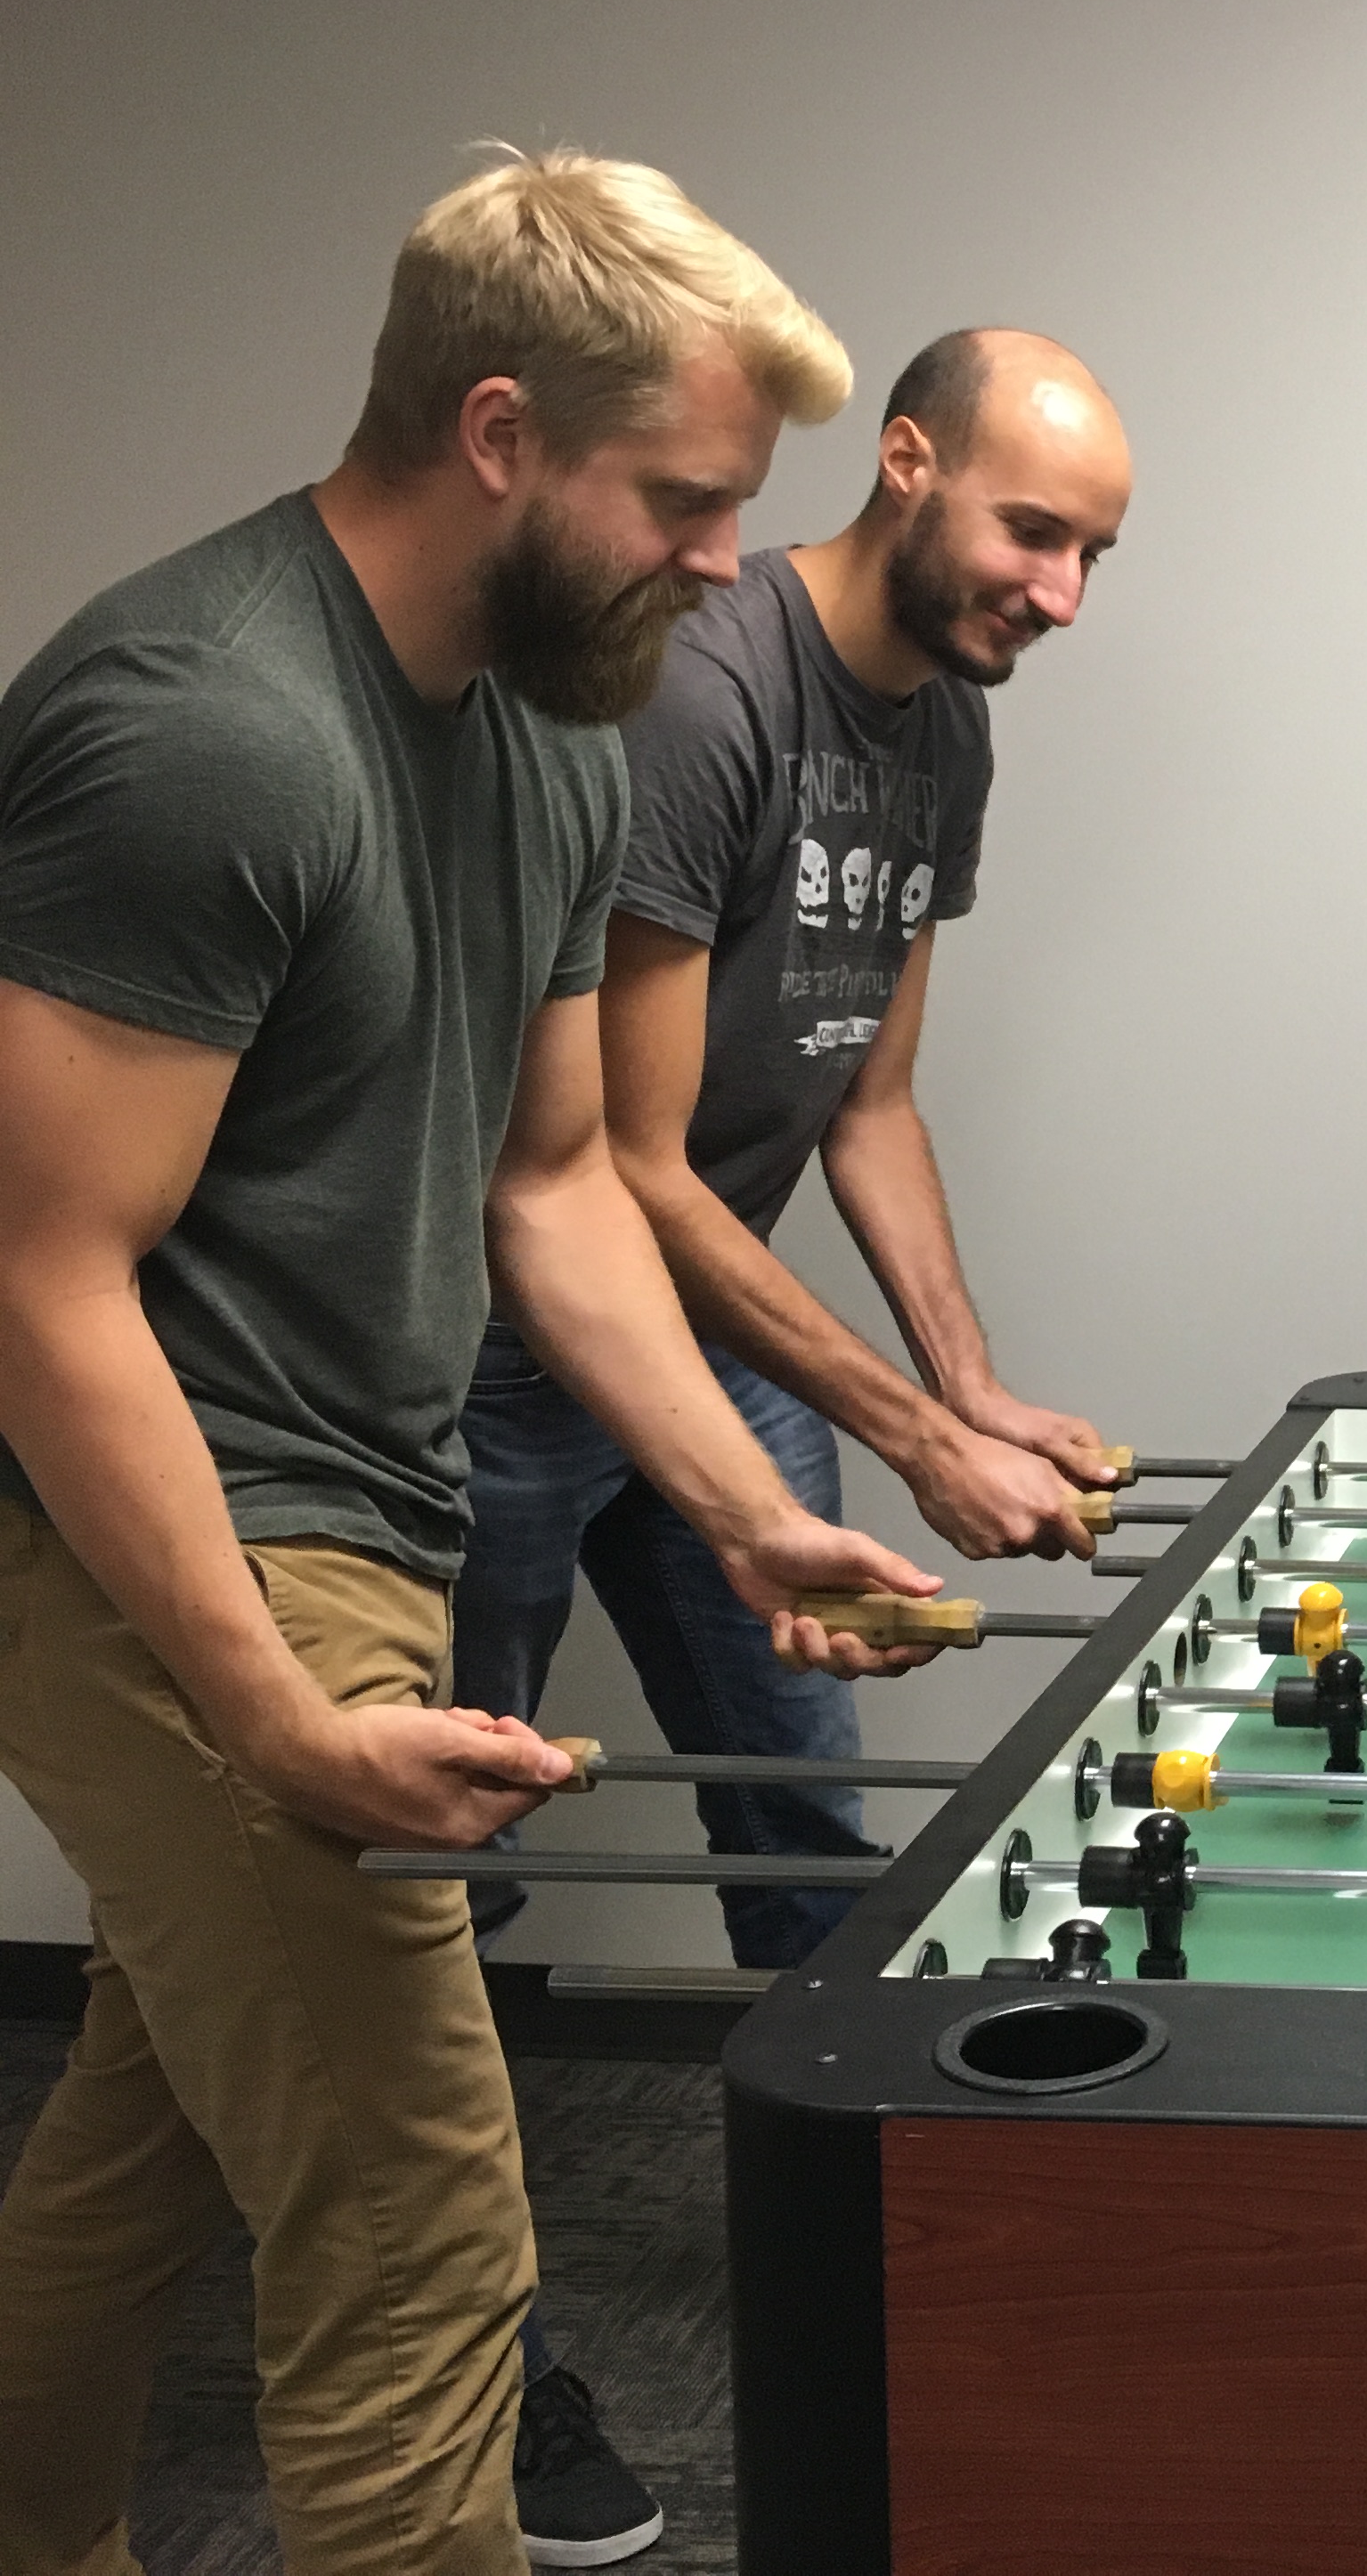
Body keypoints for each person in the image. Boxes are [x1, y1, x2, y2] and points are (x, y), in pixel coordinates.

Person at [0, 150, 940, 2576]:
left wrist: (752, 1514)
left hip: (359, 1503)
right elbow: (42, 1280)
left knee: (168, 2122)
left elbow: (553, 1188)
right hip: (148, 1523)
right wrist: (278, 1713)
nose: (730, 562)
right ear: (501, 432)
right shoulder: (208, 726)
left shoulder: (544, 730)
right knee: (422, 2225)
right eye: (691, 498)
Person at [452, 328, 1134, 1972]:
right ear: (907, 463)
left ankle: (832, 2211)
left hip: (704, 1327)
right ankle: (441, 2207)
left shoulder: (948, 732)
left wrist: (965, 1388)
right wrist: (912, 1435)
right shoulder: (701, 694)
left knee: (806, 1814)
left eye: (1093, 556)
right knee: (443, 1842)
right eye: (1032, 533)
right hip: (490, 1359)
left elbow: (870, 1105)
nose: (1062, 598)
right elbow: (633, 1163)